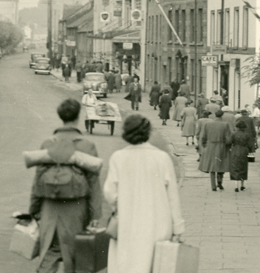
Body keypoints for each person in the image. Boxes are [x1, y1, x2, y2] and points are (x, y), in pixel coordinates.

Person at [103, 115, 185, 273]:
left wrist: (121, 204)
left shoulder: (118, 157)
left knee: (127, 264)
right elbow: (172, 197)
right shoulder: (162, 158)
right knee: (155, 265)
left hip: (127, 224)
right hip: (158, 223)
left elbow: (110, 193)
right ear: (148, 132)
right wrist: (178, 229)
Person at [29, 99, 102, 273]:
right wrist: (95, 215)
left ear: (60, 117)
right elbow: (93, 183)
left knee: (48, 255)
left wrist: (33, 210)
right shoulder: (87, 146)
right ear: (78, 117)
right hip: (77, 211)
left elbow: (38, 181)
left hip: (50, 210)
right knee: (77, 257)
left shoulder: (48, 144)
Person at [198, 110, 232, 191]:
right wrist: (228, 146)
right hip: (221, 146)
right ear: (222, 116)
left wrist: (204, 145)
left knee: (212, 166)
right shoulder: (225, 124)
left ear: (214, 116)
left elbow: (203, 137)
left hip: (210, 146)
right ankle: (220, 182)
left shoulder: (208, 124)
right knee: (221, 164)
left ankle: (213, 186)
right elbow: (228, 138)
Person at [229, 119, 257, 192]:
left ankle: (236, 186)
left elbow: (229, 142)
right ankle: (242, 185)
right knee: (243, 167)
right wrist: (251, 151)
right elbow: (251, 145)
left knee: (235, 167)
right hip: (244, 151)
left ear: (237, 127)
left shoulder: (233, 134)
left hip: (235, 150)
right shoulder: (247, 135)